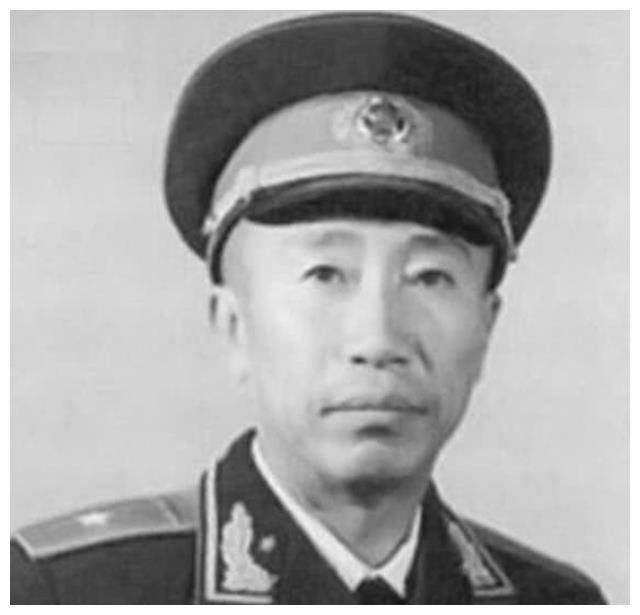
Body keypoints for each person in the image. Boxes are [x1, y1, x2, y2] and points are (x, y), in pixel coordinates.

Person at [10, 12, 607, 604]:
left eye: (430, 277)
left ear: (485, 330)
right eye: (326, 274)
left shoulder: (556, 601)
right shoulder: (63, 592)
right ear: (234, 327)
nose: (377, 340)